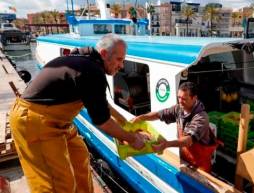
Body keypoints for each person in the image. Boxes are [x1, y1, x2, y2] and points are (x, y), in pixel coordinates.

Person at [9, 34, 149, 193]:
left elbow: (101, 103)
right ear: (103, 54)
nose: (122, 65)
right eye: (119, 59)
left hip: (57, 123)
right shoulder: (92, 71)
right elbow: (102, 121)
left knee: (79, 157)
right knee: (57, 184)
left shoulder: (87, 63)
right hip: (34, 122)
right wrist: (132, 139)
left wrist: (126, 122)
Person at [132, 82, 219, 173]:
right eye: (179, 98)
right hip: (185, 160)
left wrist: (166, 144)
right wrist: (142, 117)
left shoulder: (201, 117)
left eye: (184, 99)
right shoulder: (178, 109)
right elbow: (159, 114)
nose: (180, 101)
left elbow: (188, 140)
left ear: (194, 98)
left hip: (200, 165)